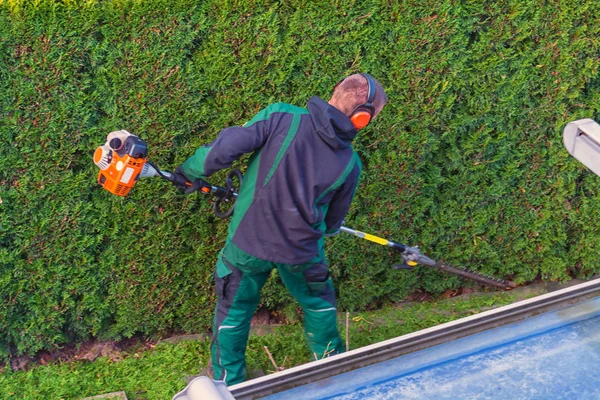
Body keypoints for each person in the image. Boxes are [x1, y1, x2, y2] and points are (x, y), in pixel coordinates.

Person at [172, 73, 387, 385]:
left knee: (235, 308)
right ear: (361, 119)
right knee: (317, 303)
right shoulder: (350, 164)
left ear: (334, 92)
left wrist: (188, 172)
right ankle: (332, 367)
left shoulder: (280, 116)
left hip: (247, 243)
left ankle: (227, 380)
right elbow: (331, 224)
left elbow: (224, 149)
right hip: (301, 253)